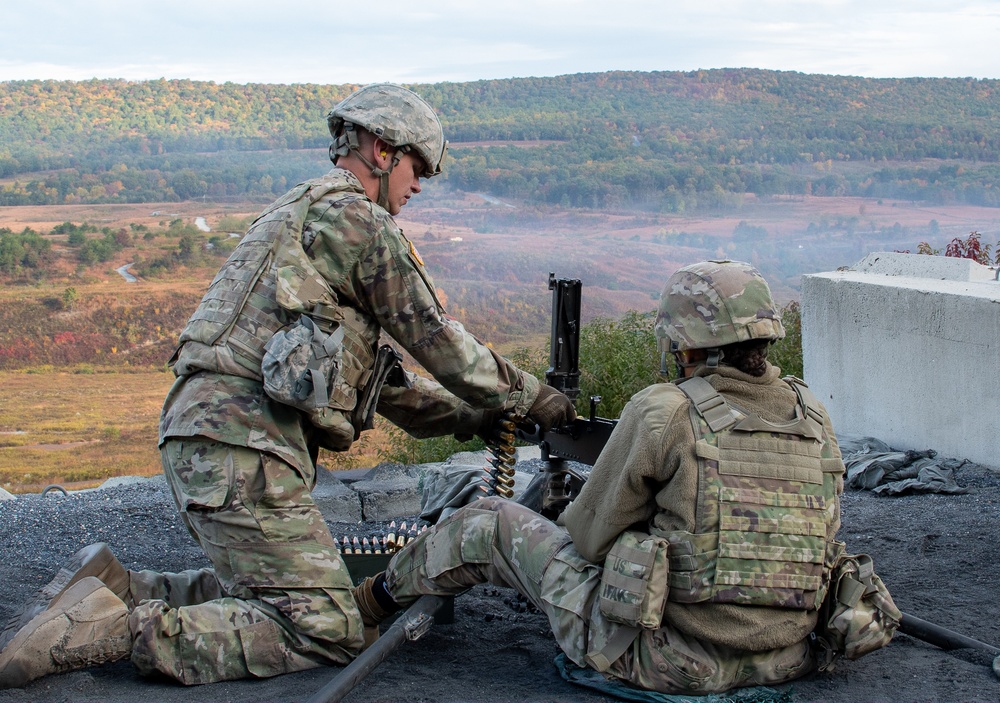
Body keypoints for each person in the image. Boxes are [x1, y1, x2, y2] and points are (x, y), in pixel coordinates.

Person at [0, 83, 575, 689]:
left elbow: (384, 388)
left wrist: (476, 419)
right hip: (243, 445)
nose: (419, 184)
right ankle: (107, 632)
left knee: (281, 585)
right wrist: (531, 397)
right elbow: (437, 339)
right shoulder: (358, 222)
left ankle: (116, 588)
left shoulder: (298, 214)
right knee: (328, 626)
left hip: (209, 433)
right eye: (417, 166)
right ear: (382, 151)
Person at [349, 259, 899, 695]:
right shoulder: (812, 413)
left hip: (669, 663)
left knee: (487, 523)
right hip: (790, 658)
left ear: (684, 343)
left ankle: (367, 605)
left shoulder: (666, 410)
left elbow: (588, 539)